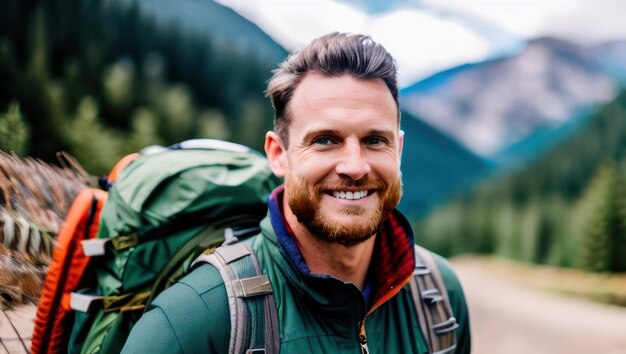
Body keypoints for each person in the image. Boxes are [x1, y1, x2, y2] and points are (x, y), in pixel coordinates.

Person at [122, 32, 471, 353]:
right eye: (325, 140)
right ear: (278, 154)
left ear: (399, 150)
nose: (355, 166)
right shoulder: (195, 317)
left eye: (375, 140)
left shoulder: (439, 297)